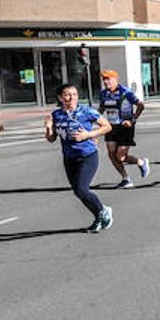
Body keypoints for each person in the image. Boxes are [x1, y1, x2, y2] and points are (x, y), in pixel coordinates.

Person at [45, 83, 114, 233]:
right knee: (78, 191)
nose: (71, 98)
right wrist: (49, 127)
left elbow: (107, 126)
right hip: (69, 158)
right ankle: (98, 218)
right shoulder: (56, 115)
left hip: (88, 156)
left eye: (74, 94)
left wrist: (88, 135)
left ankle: (103, 210)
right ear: (60, 97)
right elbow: (51, 139)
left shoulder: (86, 111)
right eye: (67, 95)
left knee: (82, 189)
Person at [98, 70, 149, 188]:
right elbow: (101, 108)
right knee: (111, 154)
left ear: (116, 79)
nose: (106, 81)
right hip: (110, 126)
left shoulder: (125, 92)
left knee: (120, 156)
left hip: (125, 127)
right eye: (104, 79)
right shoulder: (103, 94)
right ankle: (126, 178)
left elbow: (140, 105)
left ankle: (141, 162)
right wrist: (94, 118)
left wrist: (132, 120)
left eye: (108, 79)